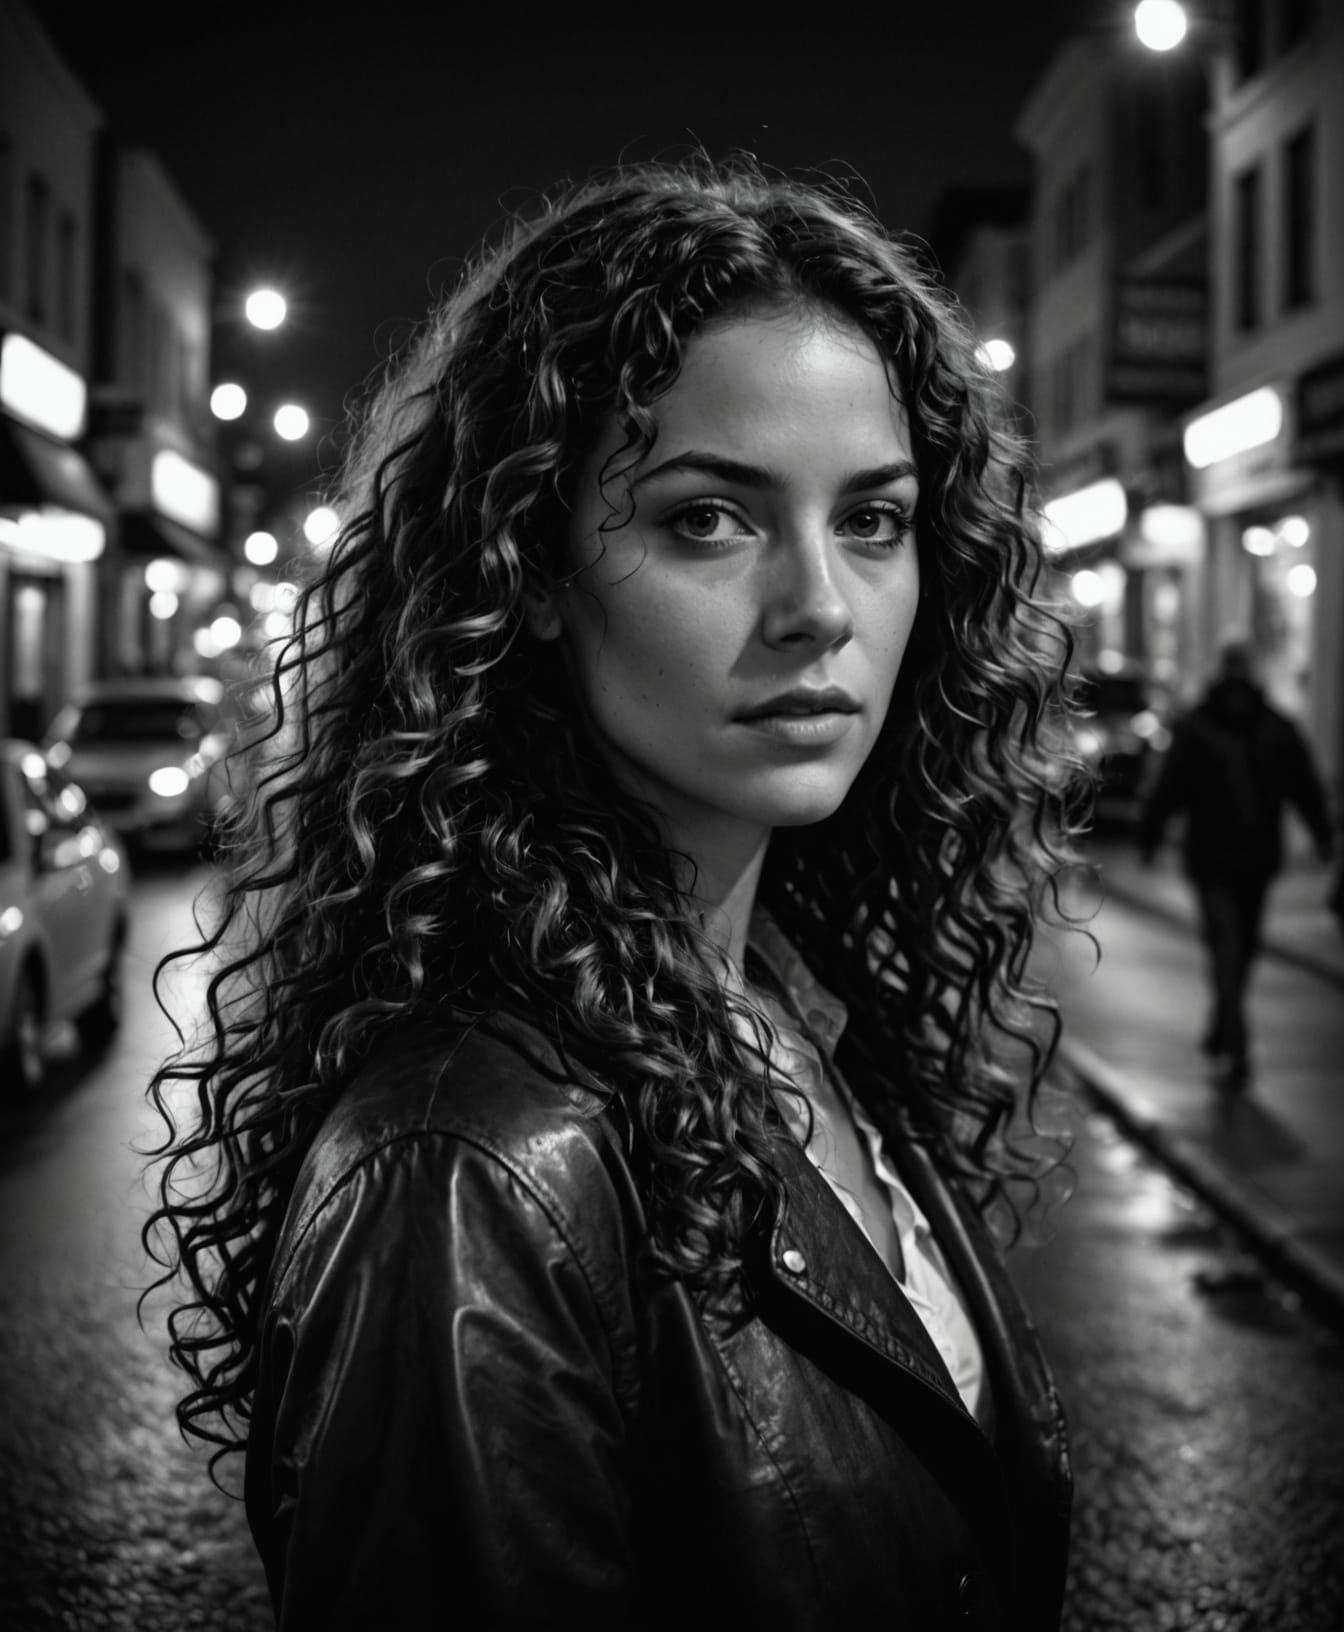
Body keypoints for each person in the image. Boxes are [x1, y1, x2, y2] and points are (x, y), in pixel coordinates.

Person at [144, 157, 1084, 1629]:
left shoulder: (798, 998)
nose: (820, 606)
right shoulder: (470, 1169)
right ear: (524, 564)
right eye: (710, 518)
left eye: (875, 520)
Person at [1139, 639, 1334, 1088]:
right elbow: (1172, 786)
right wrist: (1150, 833)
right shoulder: (1215, 728)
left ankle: (1222, 1022)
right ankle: (1238, 1045)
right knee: (1230, 946)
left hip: (1246, 858)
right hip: (1220, 860)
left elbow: (1302, 785)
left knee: (1239, 950)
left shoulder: (1259, 728)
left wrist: (1322, 834)